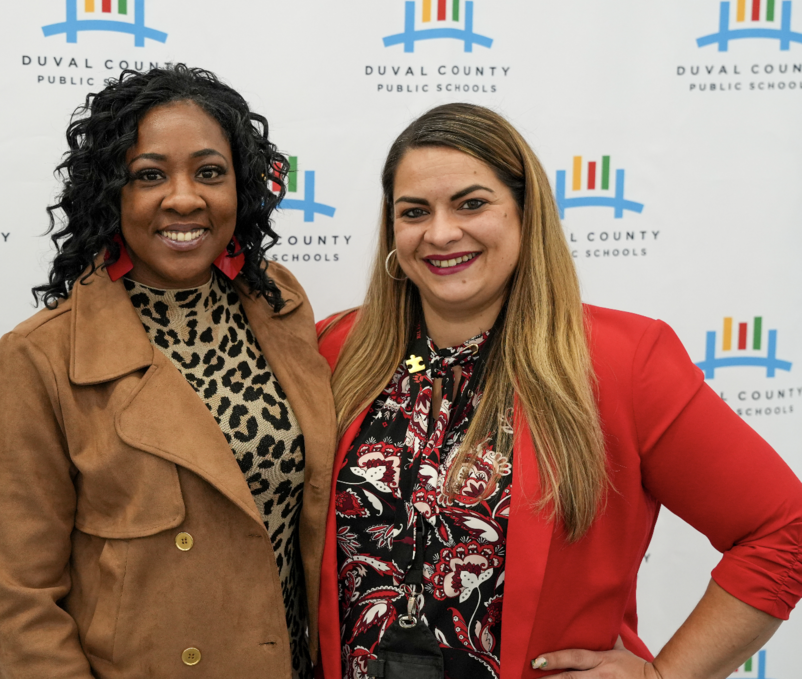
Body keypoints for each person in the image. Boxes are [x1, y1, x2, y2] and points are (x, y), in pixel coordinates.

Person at [314, 103, 802, 679]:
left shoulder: (623, 360)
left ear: (526, 213)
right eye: (414, 211)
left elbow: (782, 527)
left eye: (472, 203)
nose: (441, 232)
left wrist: (664, 676)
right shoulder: (338, 349)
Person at [0, 65, 335, 679]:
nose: (185, 198)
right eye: (149, 176)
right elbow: (17, 602)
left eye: (210, 172)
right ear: (110, 193)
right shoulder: (40, 358)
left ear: (240, 188)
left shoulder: (279, 304)